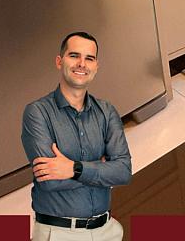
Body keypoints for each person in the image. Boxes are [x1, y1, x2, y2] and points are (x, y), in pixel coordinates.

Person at [22, 32, 131, 241]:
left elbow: (123, 172)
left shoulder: (107, 111)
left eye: (89, 58)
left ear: (96, 67)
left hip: (108, 229)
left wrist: (73, 168)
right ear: (59, 61)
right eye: (74, 56)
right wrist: (101, 168)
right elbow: (50, 181)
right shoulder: (37, 113)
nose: (82, 63)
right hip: (59, 233)